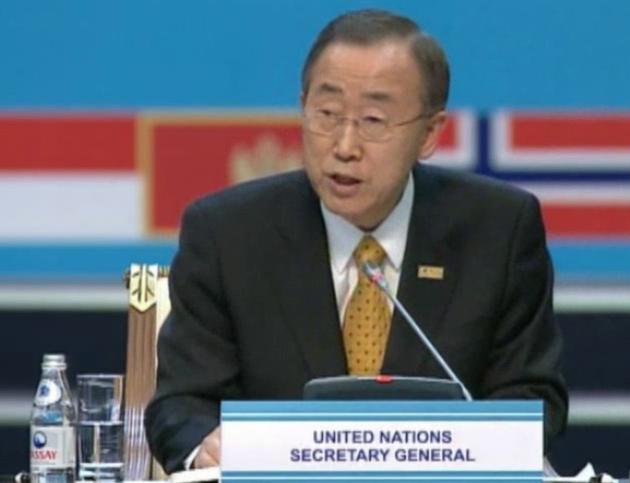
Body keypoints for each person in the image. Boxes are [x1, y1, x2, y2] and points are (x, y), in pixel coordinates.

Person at [144, 9, 568, 471]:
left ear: (429, 133)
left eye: (373, 120)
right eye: (326, 114)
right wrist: (206, 446)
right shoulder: (228, 234)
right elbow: (181, 405)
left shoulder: (498, 231)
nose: (344, 146)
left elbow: (531, 397)